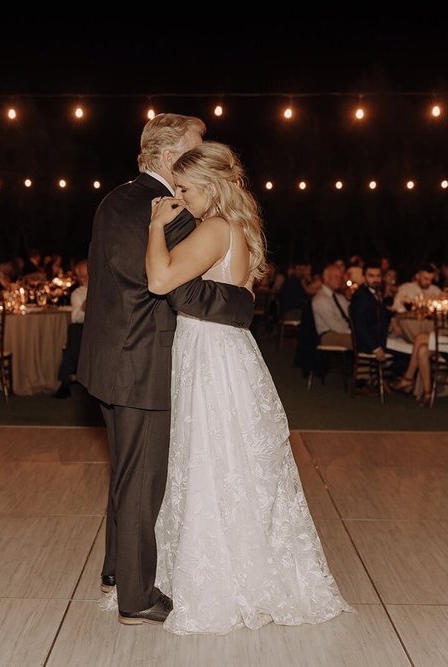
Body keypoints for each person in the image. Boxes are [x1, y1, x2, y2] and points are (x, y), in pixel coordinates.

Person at [146, 141, 350, 634]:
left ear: (212, 187)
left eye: (185, 188)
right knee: (232, 462)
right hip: (227, 350)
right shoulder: (238, 228)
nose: (178, 197)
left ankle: (216, 583)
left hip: (208, 353)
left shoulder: (215, 227)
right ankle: (246, 571)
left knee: (209, 460)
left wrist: (156, 226)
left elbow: (159, 280)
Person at [78, 114, 257, 627]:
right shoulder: (169, 208)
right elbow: (183, 290)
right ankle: (137, 597)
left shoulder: (115, 198)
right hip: (145, 364)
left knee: (125, 470)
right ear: (166, 156)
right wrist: (244, 303)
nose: (199, 159)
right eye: (193, 149)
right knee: (143, 479)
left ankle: (118, 568)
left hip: (109, 359)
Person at [390, 267, 448, 401]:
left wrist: (444, 324)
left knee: (420, 338)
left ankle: (407, 379)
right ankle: (427, 393)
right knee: (422, 350)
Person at [54, 260, 89, 399]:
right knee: (74, 331)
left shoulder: (106, 289)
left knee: (75, 335)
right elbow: (76, 318)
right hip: (84, 329)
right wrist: (85, 305)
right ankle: (66, 380)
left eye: (88, 275)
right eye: (83, 276)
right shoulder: (78, 293)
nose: (86, 279)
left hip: (104, 329)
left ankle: (65, 380)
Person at [311, 264, 352, 348]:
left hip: (342, 331)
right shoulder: (320, 299)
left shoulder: (339, 297)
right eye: (336, 277)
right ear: (326, 278)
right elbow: (334, 324)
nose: (339, 280)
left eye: (340, 277)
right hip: (329, 334)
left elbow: (351, 313)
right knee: (359, 341)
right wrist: (352, 332)